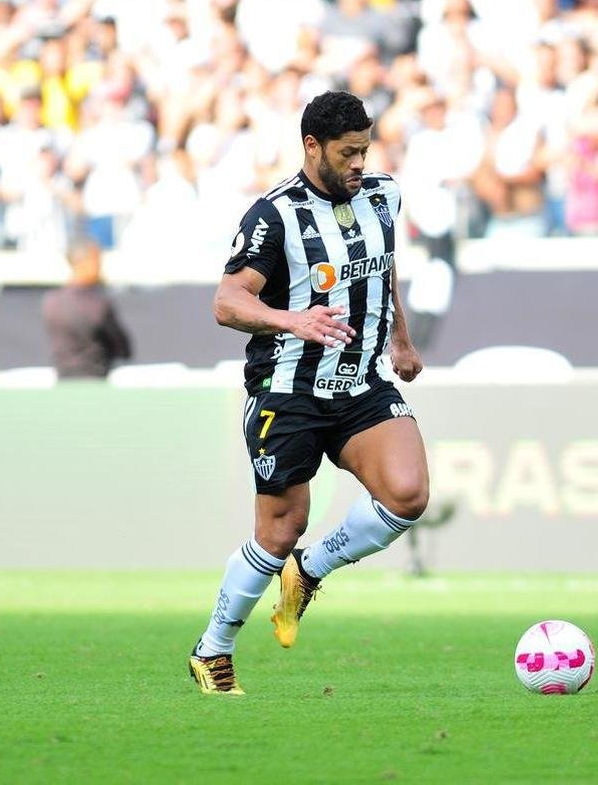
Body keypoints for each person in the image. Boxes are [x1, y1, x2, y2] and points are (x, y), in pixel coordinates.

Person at [189, 90, 427, 695]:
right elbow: (228, 300)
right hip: (287, 390)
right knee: (279, 529)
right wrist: (292, 319)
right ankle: (213, 649)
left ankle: (310, 572)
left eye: (365, 152)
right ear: (312, 147)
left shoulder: (382, 195)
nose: (359, 165)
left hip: (360, 382)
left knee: (407, 494)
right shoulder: (273, 216)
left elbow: (383, 265)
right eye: (347, 154)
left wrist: (400, 338)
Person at [41, 234, 132, 379]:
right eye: (97, 261)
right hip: (95, 384)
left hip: (64, 383)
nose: (100, 267)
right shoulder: (97, 305)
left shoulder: (50, 302)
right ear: (85, 262)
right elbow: (124, 349)